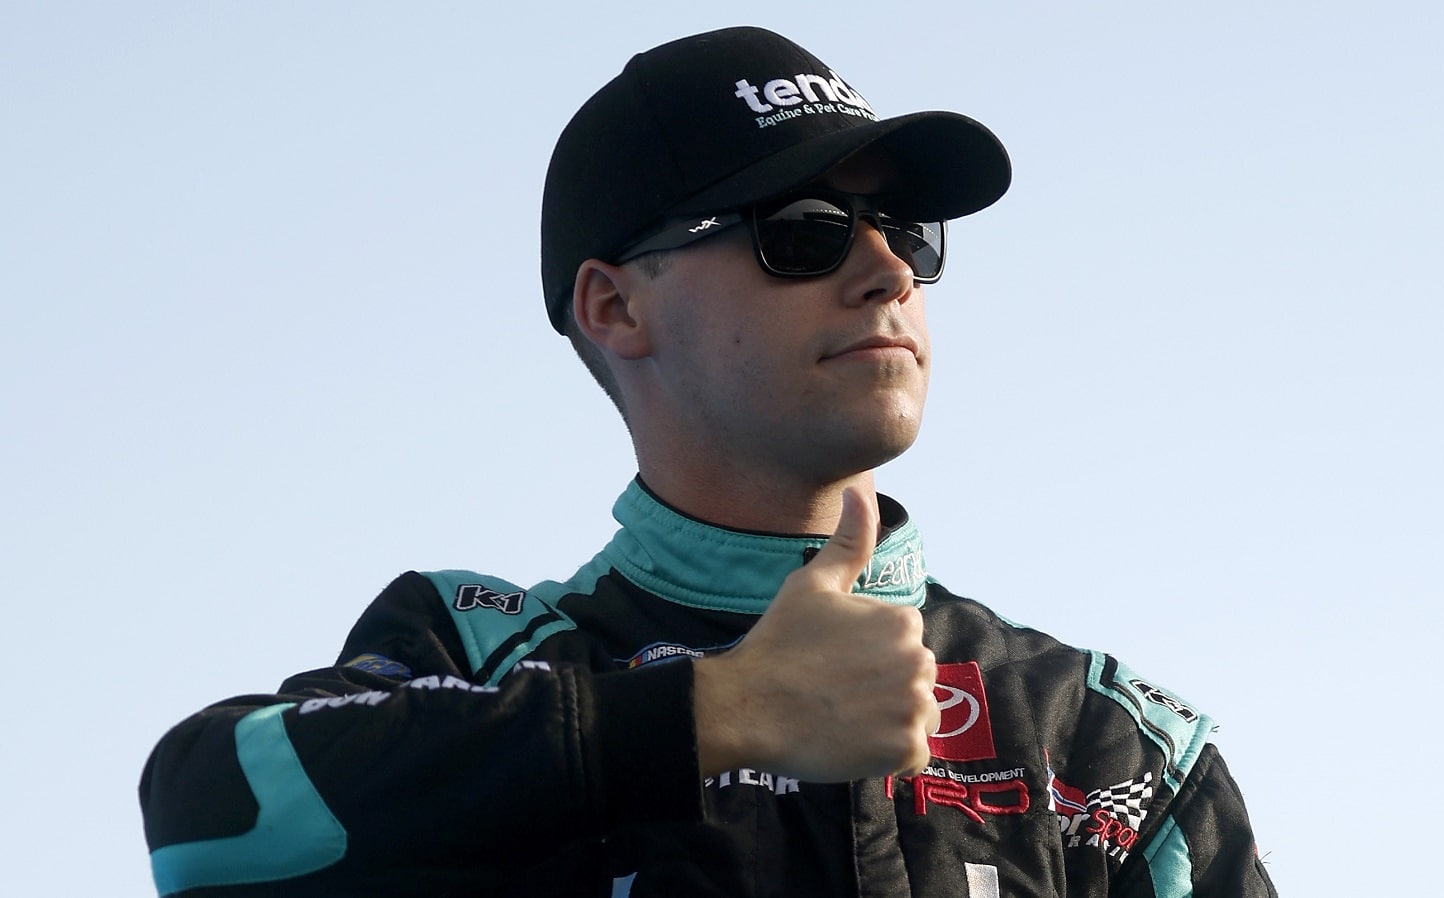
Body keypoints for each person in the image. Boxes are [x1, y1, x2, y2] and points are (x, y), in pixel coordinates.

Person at [140, 26, 1277, 898]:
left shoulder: (1104, 737)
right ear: (614, 306)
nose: (886, 273)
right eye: (805, 229)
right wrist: (716, 712)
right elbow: (203, 817)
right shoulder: (475, 649)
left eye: (906, 233)